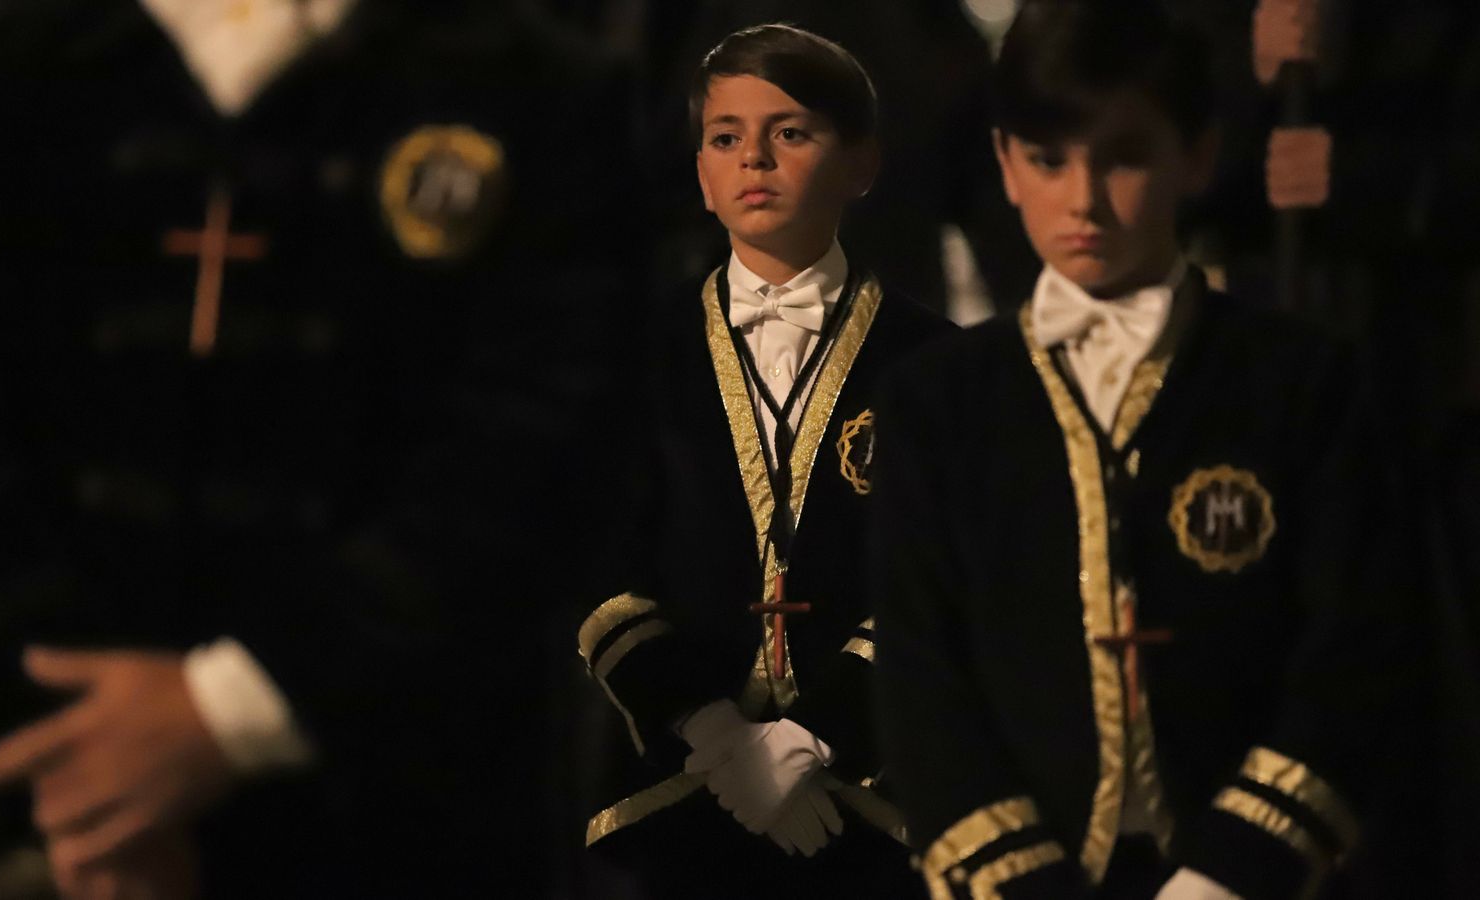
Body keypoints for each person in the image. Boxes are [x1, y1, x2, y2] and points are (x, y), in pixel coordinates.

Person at [0, 0, 640, 896]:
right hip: (49, 826)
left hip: (398, 816)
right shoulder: (7, 81)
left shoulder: (529, 87)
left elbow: (540, 445)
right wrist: (82, 777)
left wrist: (235, 710)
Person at [870, 1, 1414, 897]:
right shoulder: (938, 400)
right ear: (1005, 165)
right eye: (1048, 160)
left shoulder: (1299, 384)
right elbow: (922, 679)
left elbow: (1352, 653)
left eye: (1123, 157)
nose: (1083, 199)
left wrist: (1231, 873)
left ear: (1195, 156)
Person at [576, 23, 950, 899]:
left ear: (861, 164)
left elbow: (940, 580)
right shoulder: (636, 355)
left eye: (790, 132)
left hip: (870, 804)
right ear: (701, 175)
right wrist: (715, 733)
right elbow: (601, 565)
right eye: (725, 138)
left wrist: (810, 740)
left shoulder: (938, 367)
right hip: (677, 790)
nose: (754, 160)